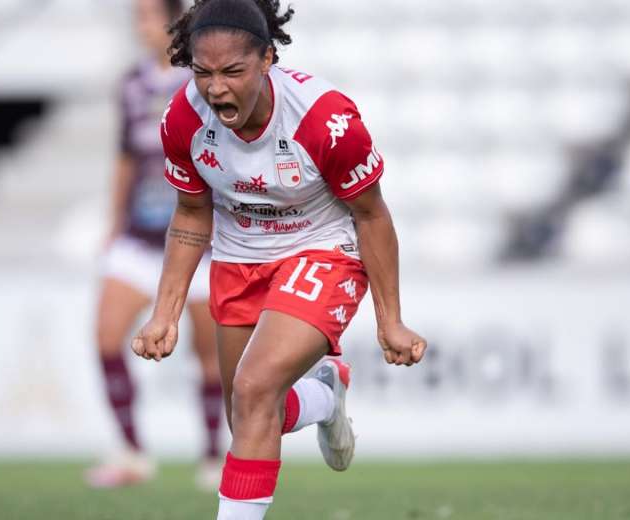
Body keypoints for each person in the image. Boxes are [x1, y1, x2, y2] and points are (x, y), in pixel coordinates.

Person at [130, 0, 428, 518]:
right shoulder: (182, 118)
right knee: (247, 413)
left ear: (267, 58)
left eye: (232, 71)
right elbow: (192, 212)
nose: (215, 88)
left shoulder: (325, 120)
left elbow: (372, 215)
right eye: (202, 72)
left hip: (321, 249)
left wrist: (391, 321)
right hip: (238, 257)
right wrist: (165, 313)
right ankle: (323, 398)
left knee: (254, 387)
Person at [86, 0, 225, 491]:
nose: (140, 26)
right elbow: (126, 156)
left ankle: (213, 456)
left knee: (209, 355)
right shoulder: (131, 84)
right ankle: (131, 451)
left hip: (200, 242)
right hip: (139, 238)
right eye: (137, 18)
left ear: (172, 21)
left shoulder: (204, 82)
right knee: (106, 337)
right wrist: (113, 222)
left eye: (147, 16)